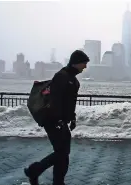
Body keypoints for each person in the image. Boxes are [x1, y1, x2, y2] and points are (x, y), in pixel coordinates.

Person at [24, 50, 89, 185]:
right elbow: (54, 100)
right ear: (76, 63)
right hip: (52, 120)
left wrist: (73, 118)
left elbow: (70, 103)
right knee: (62, 153)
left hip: (61, 121)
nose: (85, 67)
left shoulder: (74, 81)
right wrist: (57, 119)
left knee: (63, 154)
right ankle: (34, 170)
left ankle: (57, 181)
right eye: (84, 63)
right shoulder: (61, 76)